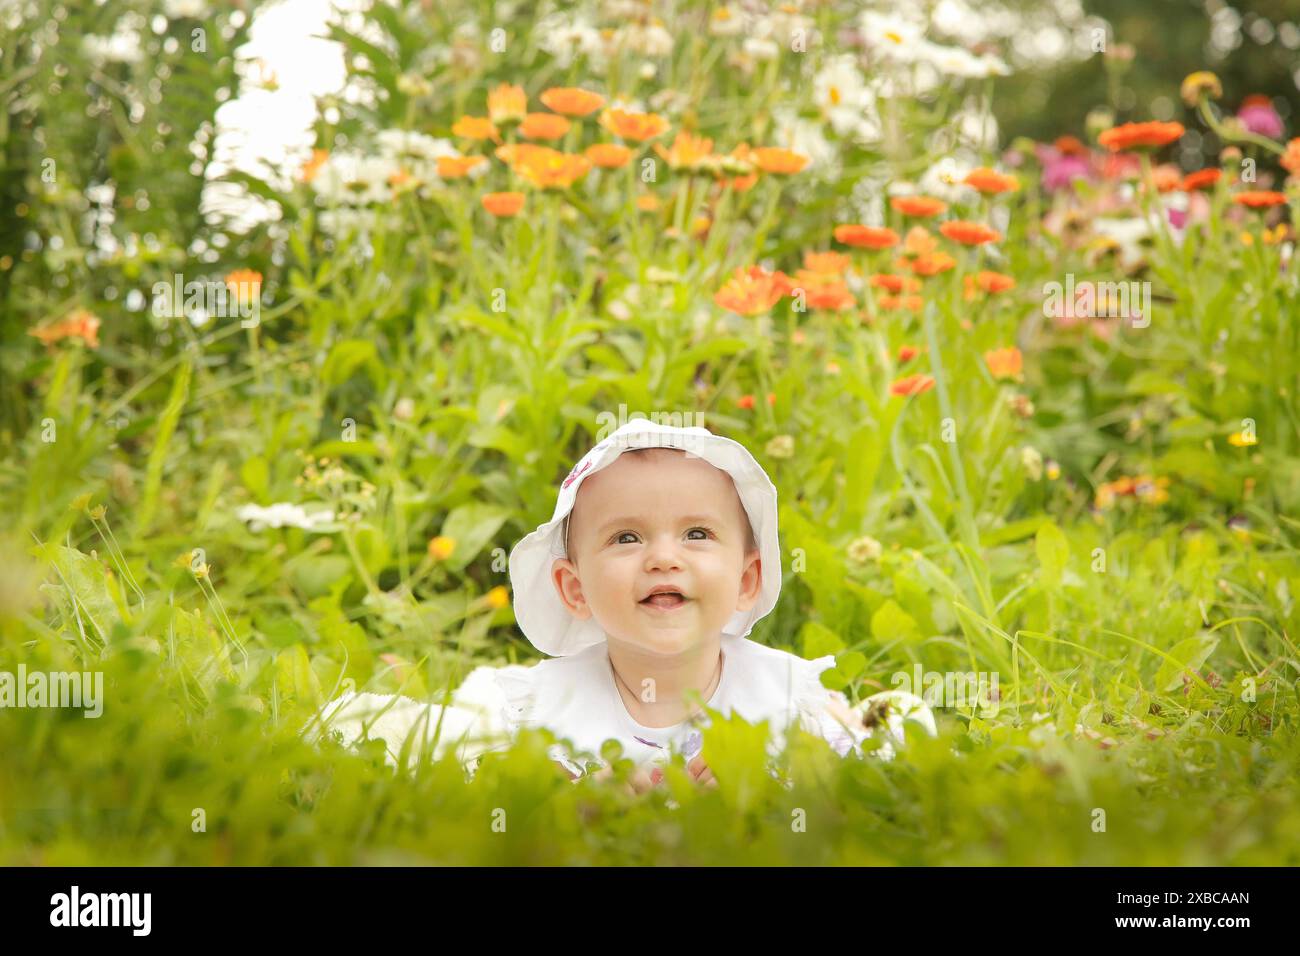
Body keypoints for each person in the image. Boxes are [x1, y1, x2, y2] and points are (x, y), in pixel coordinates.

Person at [307, 419, 936, 792]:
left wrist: (803, 766)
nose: (663, 558)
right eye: (626, 538)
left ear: (748, 580)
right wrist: (562, 789)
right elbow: (370, 734)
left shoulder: (784, 693)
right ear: (574, 588)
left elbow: (902, 742)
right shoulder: (528, 704)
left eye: (697, 534)